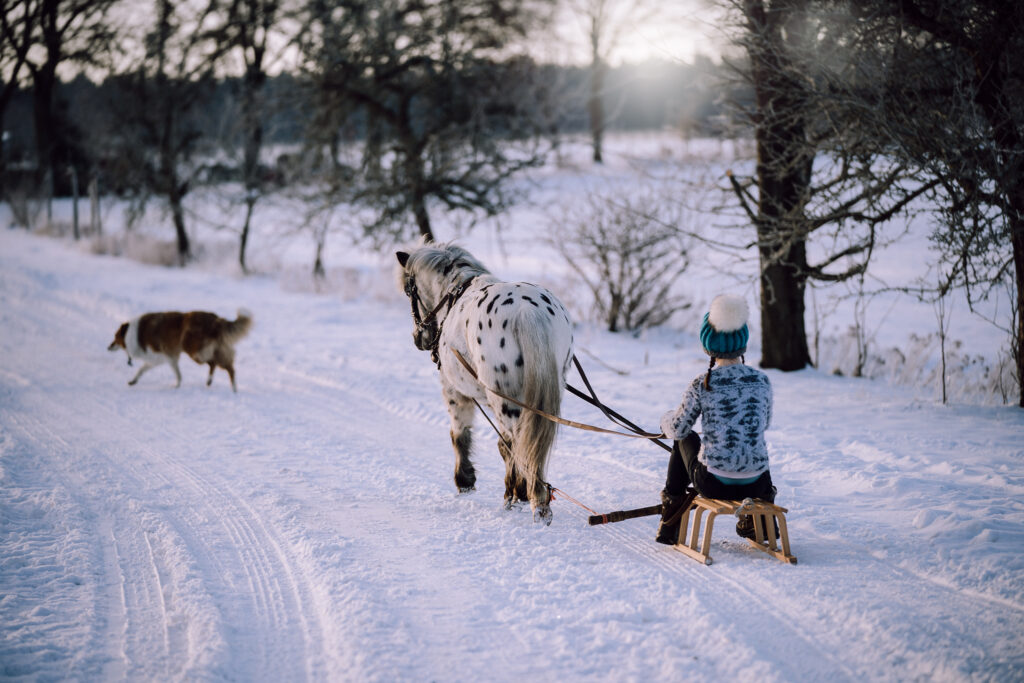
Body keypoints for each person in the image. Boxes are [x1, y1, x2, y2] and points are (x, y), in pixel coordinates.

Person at [655, 294, 776, 545]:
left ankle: (670, 521)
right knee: (752, 439)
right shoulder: (762, 381)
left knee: (684, 438)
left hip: (713, 484)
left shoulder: (703, 383)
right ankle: (762, 522)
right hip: (757, 485)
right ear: (742, 342)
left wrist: (665, 420)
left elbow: (678, 429)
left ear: (707, 344)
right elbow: (763, 424)